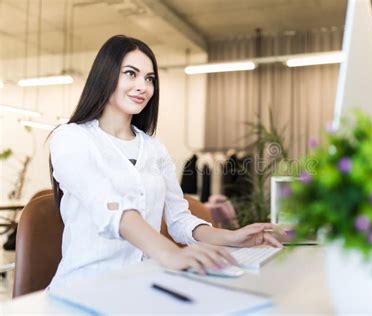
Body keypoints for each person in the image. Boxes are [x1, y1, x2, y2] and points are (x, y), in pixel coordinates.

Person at [48, 35, 282, 290]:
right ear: (105, 75)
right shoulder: (71, 138)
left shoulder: (153, 147)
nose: (143, 87)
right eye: (131, 74)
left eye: (150, 79)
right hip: (85, 287)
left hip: (143, 284)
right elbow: (109, 207)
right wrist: (170, 253)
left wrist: (231, 237)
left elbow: (179, 219)